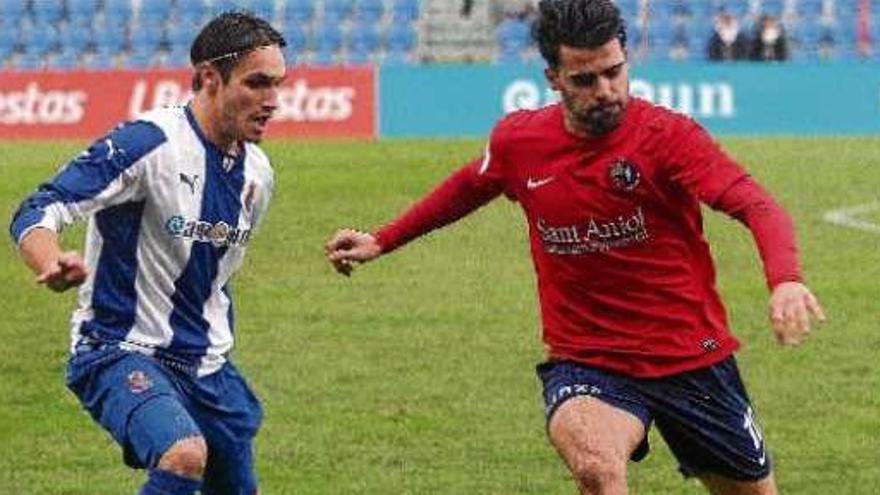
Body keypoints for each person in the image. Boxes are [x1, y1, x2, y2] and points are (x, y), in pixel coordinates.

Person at [325, 1, 825, 494]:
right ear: (553, 77)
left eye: (614, 72)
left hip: (690, 357)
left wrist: (785, 278)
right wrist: (384, 239)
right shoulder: (520, 142)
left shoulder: (667, 137)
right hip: (588, 357)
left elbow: (757, 205)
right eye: (585, 80)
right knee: (596, 466)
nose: (606, 90)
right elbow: (467, 188)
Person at [9, 12, 286, 495]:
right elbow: (40, 208)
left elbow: (216, 278)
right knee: (183, 454)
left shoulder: (257, 176)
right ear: (209, 79)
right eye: (257, 83)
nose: (273, 102)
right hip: (119, 349)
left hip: (207, 366)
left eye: (277, 85)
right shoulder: (148, 144)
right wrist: (50, 261)